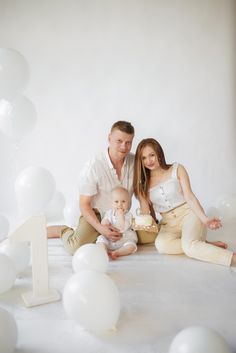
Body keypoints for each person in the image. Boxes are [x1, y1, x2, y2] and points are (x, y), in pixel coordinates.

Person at [133, 138, 236, 266]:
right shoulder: (142, 185)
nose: (149, 161)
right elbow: (146, 213)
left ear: (159, 153)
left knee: (189, 247)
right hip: (168, 223)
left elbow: (189, 196)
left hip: (189, 214)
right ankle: (203, 245)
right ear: (140, 161)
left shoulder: (177, 169)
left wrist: (204, 219)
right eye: (144, 158)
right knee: (162, 246)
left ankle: (232, 257)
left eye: (152, 155)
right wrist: (145, 222)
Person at [47, 120, 135, 254]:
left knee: (151, 235)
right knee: (75, 246)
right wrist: (101, 228)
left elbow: (143, 192)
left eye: (128, 142)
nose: (124, 146)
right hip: (97, 215)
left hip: (123, 217)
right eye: (119, 141)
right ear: (109, 138)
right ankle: (63, 230)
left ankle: (99, 238)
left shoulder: (134, 162)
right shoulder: (94, 166)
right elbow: (84, 204)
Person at [96, 186, 138, 259]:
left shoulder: (128, 215)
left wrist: (121, 216)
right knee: (101, 239)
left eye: (123, 201)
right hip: (110, 239)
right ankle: (103, 251)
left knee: (132, 246)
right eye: (116, 201)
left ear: (128, 202)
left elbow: (123, 227)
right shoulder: (109, 213)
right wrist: (105, 223)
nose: (120, 204)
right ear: (112, 203)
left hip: (124, 239)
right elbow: (104, 223)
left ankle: (117, 253)